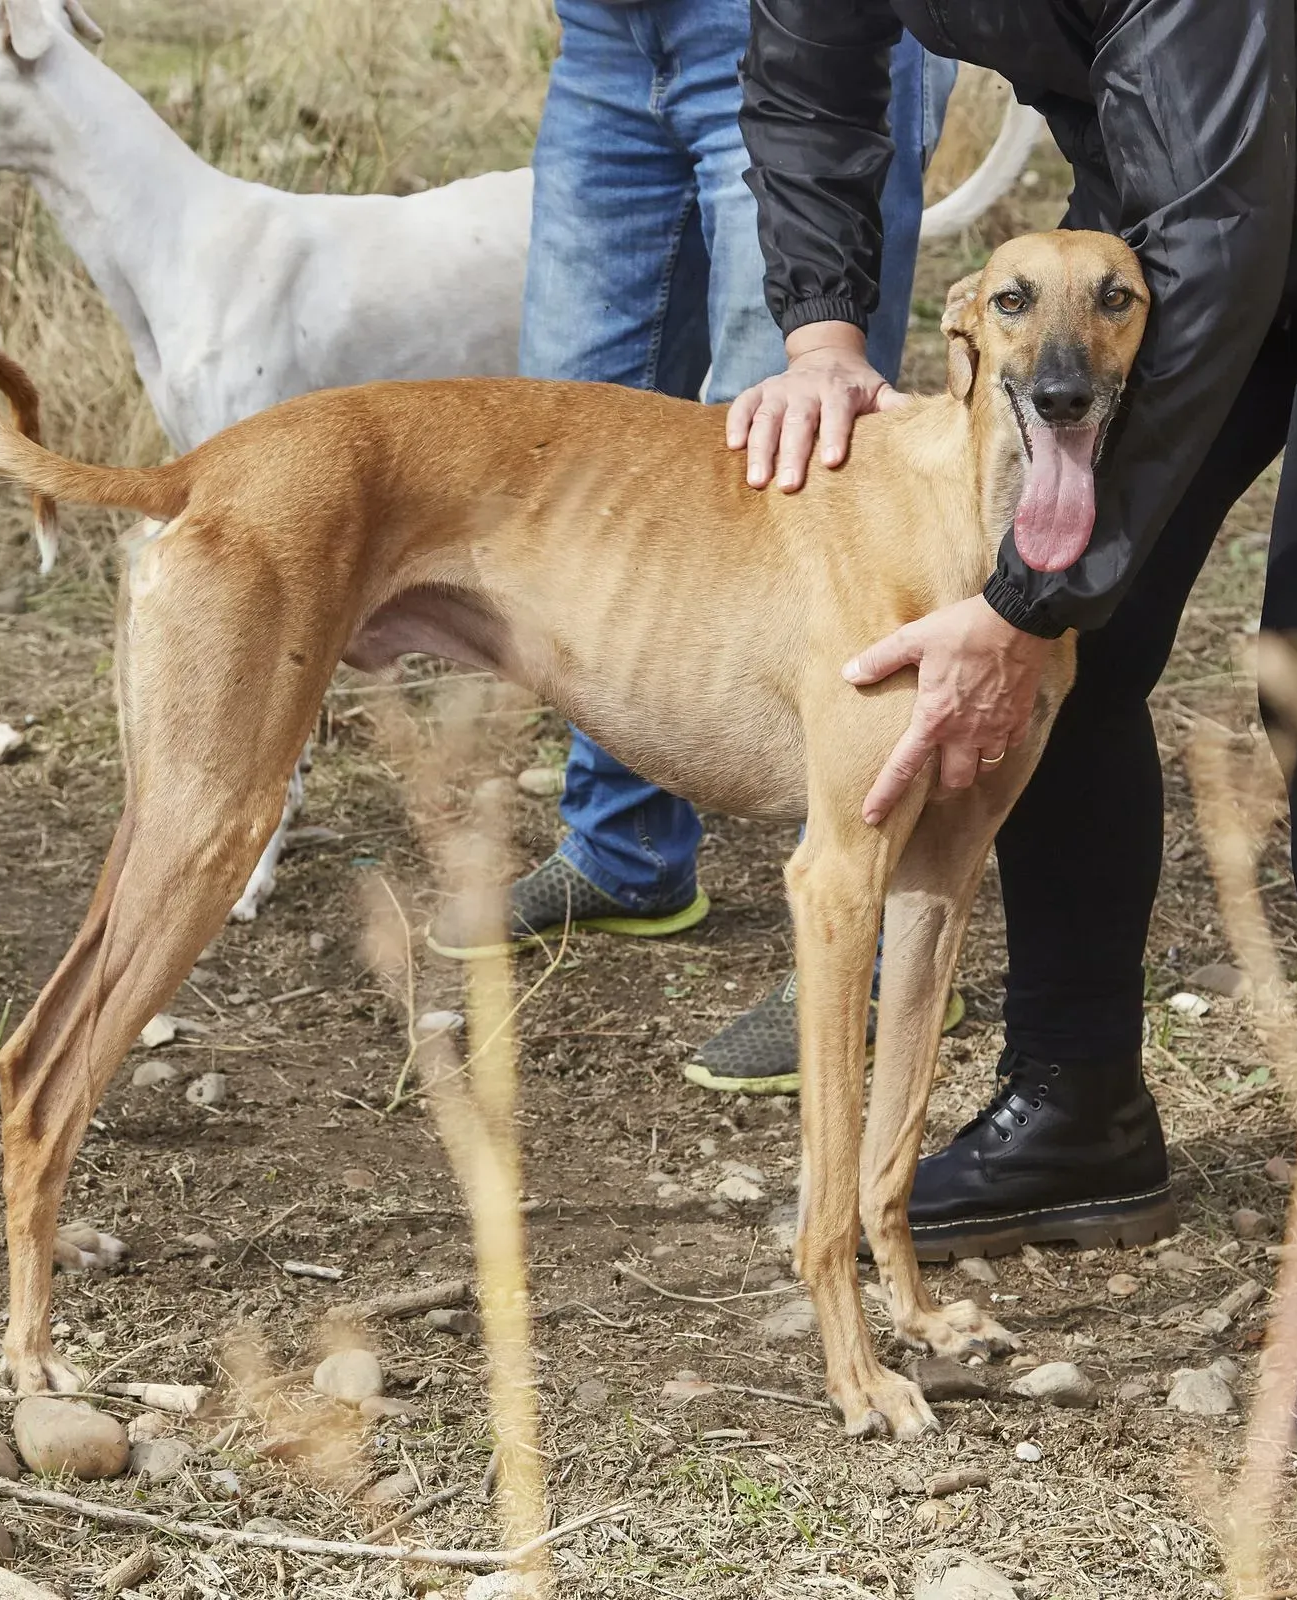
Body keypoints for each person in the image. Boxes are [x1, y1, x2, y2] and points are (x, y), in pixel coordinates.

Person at [724, 0, 1297, 1461]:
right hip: (1184, 206)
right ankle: (1078, 1108)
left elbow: (1221, 231)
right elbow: (808, 70)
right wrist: (825, 328)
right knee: (1070, 630)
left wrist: (1022, 600)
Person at [431, 0, 955, 1095]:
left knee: (784, 467)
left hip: (793, 32)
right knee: (572, 477)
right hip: (610, 39)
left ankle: (856, 938)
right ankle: (624, 853)